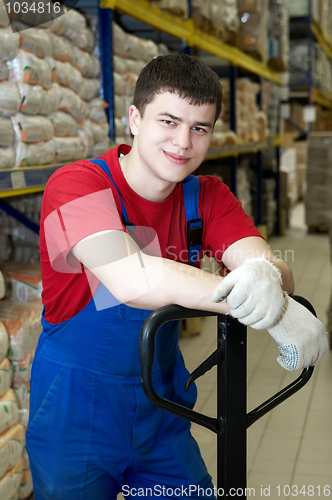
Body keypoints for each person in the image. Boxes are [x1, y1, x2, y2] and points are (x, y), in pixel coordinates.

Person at [26, 54, 328, 500]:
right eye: (168, 120)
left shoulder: (206, 196)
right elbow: (131, 278)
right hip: (75, 420)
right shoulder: (78, 185)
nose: (183, 142)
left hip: (160, 414)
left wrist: (267, 276)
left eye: (199, 127)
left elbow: (265, 266)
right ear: (135, 118)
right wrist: (276, 313)